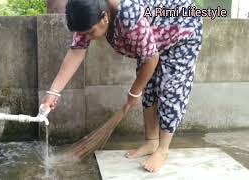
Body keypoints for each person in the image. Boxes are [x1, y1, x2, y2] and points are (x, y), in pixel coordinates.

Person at [41, 0, 203, 173]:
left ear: (104, 18)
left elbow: (151, 58)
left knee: (171, 89)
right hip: (153, 34)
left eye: (90, 33)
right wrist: (53, 91)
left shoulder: (127, 14)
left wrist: (134, 92)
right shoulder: (88, 13)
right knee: (149, 87)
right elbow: (76, 51)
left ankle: (163, 150)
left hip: (182, 26)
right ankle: (151, 142)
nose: (86, 37)